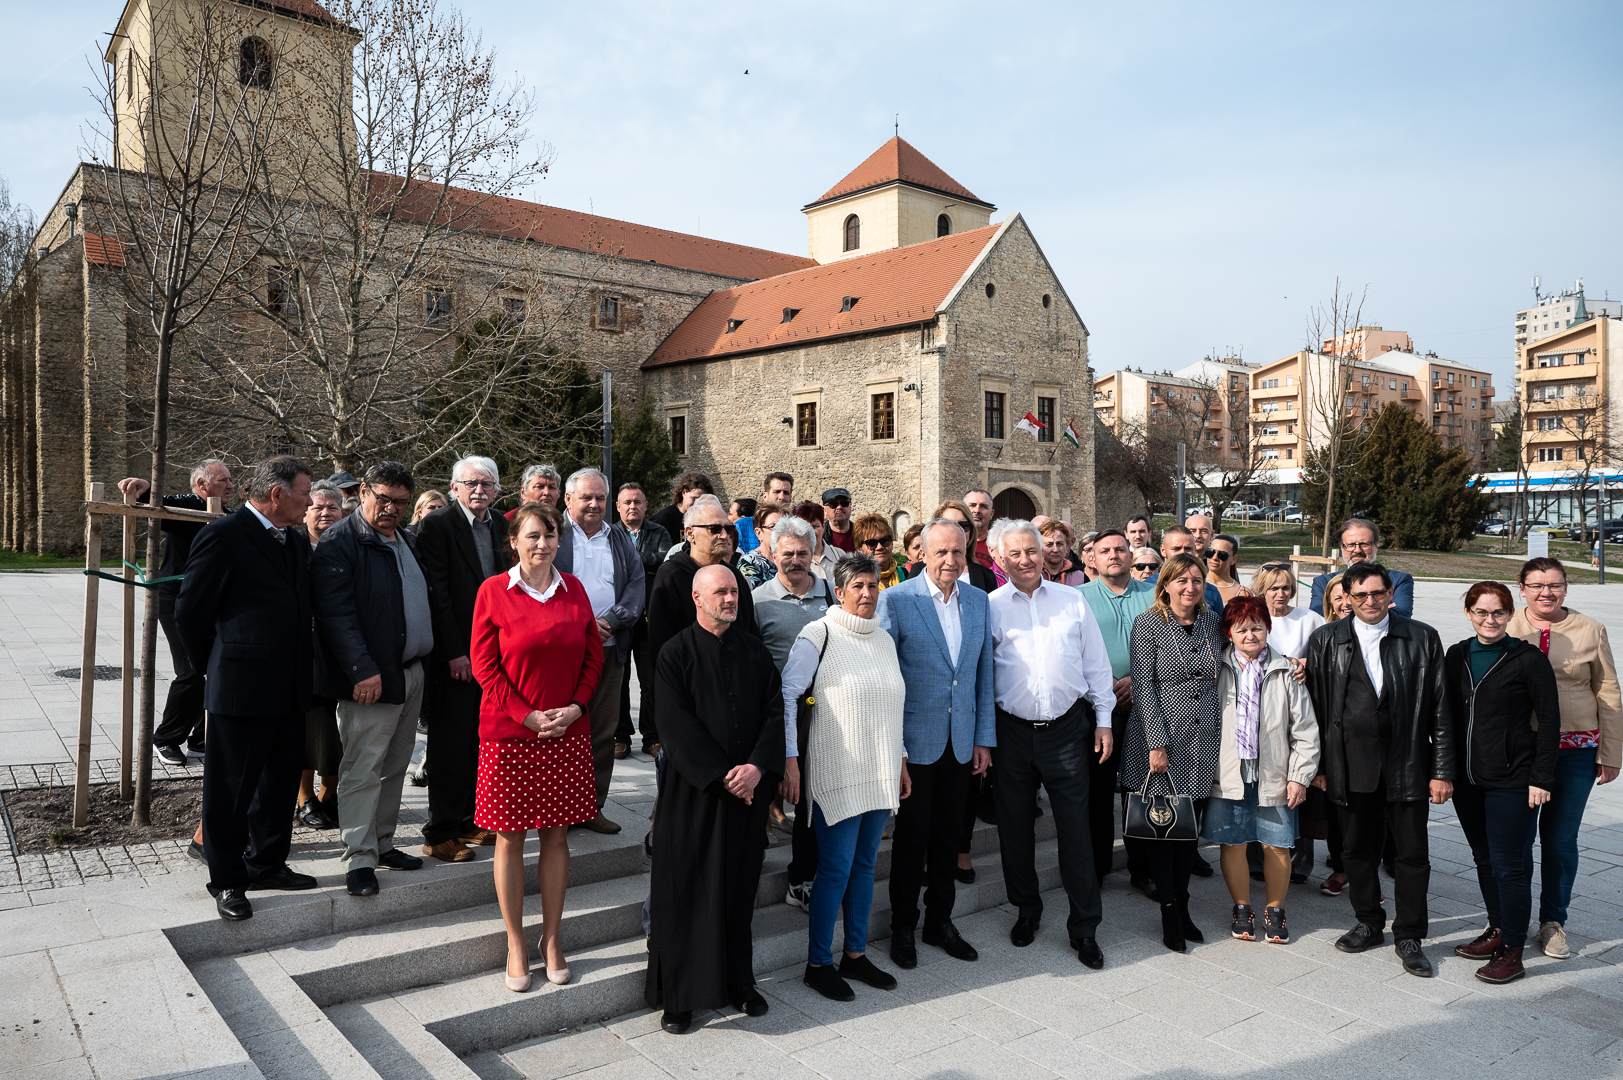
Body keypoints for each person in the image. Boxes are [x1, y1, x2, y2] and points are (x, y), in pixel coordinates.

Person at [175, 456, 317, 920]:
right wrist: (217, 666)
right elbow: (190, 614)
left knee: (279, 784)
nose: (310, 502)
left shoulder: (294, 540)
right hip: (241, 687)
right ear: (277, 494)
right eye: (304, 494)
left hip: (289, 687)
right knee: (231, 791)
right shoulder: (224, 534)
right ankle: (228, 881)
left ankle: (268, 864)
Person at [646, 565, 784, 1035]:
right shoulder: (674, 653)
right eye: (720, 592)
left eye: (734, 591)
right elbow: (675, 726)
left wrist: (757, 768)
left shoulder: (754, 650)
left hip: (747, 796)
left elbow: (774, 713)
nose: (730, 599)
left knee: (739, 893)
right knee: (686, 893)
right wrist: (724, 775)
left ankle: (739, 982)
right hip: (695, 795)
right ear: (697, 597)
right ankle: (680, 998)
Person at [470, 502, 603, 992]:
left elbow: (593, 658)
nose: (542, 544)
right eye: (532, 536)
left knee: (556, 838)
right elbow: (485, 667)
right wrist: (525, 715)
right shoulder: (493, 591)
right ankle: (515, 942)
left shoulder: (575, 590)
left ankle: (552, 938)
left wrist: (576, 708)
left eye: (549, 535)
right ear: (514, 542)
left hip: (566, 734)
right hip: (509, 736)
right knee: (510, 839)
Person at [1303, 562, 1454, 977]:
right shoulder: (1326, 639)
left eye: (1377, 593)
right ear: (1347, 599)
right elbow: (1315, 709)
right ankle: (1369, 922)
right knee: (1355, 850)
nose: (1370, 601)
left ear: (1390, 594)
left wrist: (1442, 770)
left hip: (1407, 763)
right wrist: (1319, 767)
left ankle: (1409, 935)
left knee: (1412, 854)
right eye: (1361, 595)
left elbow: (1441, 708)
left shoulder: (1421, 637)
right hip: (1349, 764)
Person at [779, 553, 909, 1000]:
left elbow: (892, 706)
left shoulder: (884, 639)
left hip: (879, 771)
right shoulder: (818, 635)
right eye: (858, 586)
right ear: (838, 592)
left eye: (873, 585)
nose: (867, 593)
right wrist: (790, 759)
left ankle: (855, 954)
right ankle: (818, 963)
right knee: (834, 869)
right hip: (836, 771)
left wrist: (902, 760)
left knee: (865, 866)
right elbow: (788, 695)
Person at [990, 521, 1116, 968]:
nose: (1025, 560)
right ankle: (1027, 909)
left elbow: (1097, 666)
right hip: (1010, 733)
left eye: (1032, 550)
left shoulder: (1072, 601)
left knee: (1076, 832)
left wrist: (1104, 721)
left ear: (1044, 553)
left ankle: (1084, 928)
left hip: (1067, 730)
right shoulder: (990, 607)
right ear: (1000, 558)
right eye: (1015, 553)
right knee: (1015, 829)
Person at [875, 518, 995, 968]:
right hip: (915, 744)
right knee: (911, 841)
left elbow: (983, 674)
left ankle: (939, 921)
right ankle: (903, 926)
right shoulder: (897, 600)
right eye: (941, 551)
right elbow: (887, 679)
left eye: (957, 551)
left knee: (949, 836)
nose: (950, 560)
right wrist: (897, 751)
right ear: (921, 554)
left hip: (961, 744)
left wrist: (984, 739)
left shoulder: (978, 601)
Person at [314, 461, 438, 896]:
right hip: (370, 679)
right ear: (362, 491)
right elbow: (336, 616)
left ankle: (382, 843)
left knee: (395, 767)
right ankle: (358, 858)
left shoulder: (406, 539)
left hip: (410, 674)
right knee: (362, 769)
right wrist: (361, 671)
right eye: (382, 498)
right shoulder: (340, 541)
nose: (391, 509)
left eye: (400, 502)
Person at [1445, 581, 1561, 984]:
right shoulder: (1457, 654)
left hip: (1512, 779)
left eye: (1498, 612)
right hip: (1467, 779)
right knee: (1483, 858)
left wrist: (1541, 777)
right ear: (1468, 613)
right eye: (1481, 611)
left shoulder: (1528, 659)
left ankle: (1513, 950)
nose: (1489, 620)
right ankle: (1497, 929)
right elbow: (1446, 715)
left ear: (1510, 614)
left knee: (1508, 866)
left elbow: (1550, 721)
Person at [1507, 557, 1621, 960]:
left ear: (1566, 588)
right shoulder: (1505, 623)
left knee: (1560, 840)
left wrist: (1611, 752)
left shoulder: (1590, 629)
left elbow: (1608, 691)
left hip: (1575, 751)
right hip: (1521, 749)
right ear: (1522, 588)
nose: (1546, 592)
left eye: (1555, 585)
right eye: (1537, 585)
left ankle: (1553, 922)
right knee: (1517, 839)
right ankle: (1510, 919)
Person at [1120, 552, 1222, 951]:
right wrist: (1157, 744)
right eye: (1181, 580)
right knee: (1162, 831)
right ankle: (1167, 909)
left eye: (1197, 580)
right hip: (1160, 739)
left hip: (1202, 740)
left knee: (1188, 832)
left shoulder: (1212, 622)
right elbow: (1144, 687)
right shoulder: (1148, 624)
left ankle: (1183, 903)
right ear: (1165, 585)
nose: (1190, 587)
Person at [1204, 595, 1320, 945]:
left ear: (1268, 629)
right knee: (1233, 843)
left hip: (1274, 774)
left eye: (1257, 627)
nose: (1250, 635)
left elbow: (1306, 730)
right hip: (1228, 773)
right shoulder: (1216, 668)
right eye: (1241, 629)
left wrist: (1299, 777)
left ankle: (1275, 909)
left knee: (1277, 845)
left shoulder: (1286, 670)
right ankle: (1242, 907)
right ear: (1229, 633)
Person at [414, 455, 511, 862]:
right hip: (456, 655)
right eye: (471, 483)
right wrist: (455, 652)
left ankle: (469, 820)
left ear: (497, 489)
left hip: (495, 653)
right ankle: (440, 832)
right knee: (450, 745)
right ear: (454, 488)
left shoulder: (502, 525)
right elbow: (437, 594)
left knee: (479, 741)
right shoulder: (437, 526)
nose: (479, 490)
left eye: (487, 483)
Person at [117, 458, 236, 768]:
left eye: (230, 479)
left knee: (217, 668)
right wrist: (144, 488)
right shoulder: (188, 506)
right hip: (178, 601)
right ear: (201, 485)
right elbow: (155, 502)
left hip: (214, 603)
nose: (230, 485)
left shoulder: (230, 515)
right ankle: (166, 738)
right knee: (192, 670)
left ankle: (200, 739)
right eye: (223, 480)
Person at [555, 468, 645, 835]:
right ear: (568, 499)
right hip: (562, 652)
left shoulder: (618, 538)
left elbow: (636, 584)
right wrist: (580, 623)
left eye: (601, 498)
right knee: (561, 729)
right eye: (586, 497)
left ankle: (592, 806)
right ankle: (559, 807)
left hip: (608, 648)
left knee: (602, 730)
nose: (594, 504)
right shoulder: (553, 533)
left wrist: (613, 619)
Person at [753, 516, 836, 909]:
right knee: (763, 794)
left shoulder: (832, 595)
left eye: (803, 552)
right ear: (773, 555)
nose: (796, 560)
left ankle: (802, 878)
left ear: (813, 552)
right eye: (787, 553)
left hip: (822, 713)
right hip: (774, 713)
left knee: (810, 801)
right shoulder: (757, 601)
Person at [1078, 530, 1154, 893]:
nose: (1113, 555)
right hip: (1096, 710)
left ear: (1131, 554)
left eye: (1120, 549)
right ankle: (1097, 865)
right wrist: (1102, 683)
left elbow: (1167, 645)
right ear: (1092, 557)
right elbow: (1070, 650)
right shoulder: (1078, 598)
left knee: (1140, 790)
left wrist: (1138, 682)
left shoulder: (1154, 595)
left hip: (1145, 707)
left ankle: (1142, 869)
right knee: (1098, 791)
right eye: (1104, 550)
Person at [647, 496, 757, 673]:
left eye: (728, 528)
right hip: (688, 675)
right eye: (715, 529)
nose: (724, 535)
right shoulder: (671, 575)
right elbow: (660, 639)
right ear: (690, 534)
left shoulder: (734, 576)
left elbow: (749, 631)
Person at [296, 479, 346, 829]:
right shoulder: (293, 546)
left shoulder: (349, 545)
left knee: (336, 736)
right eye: (318, 507)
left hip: (344, 653)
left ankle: (330, 795)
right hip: (305, 654)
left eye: (333, 507)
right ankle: (304, 799)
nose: (326, 513)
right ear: (305, 512)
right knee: (307, 732)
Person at [613, 482, 672, 759]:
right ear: (618, 507)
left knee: (650, 681)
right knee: (619, 680)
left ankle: (651, 736)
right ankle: (620, 736)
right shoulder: (611, 533)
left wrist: (631, 560)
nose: (632, 506)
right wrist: (645, 564)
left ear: (646, 506)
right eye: (627, 502)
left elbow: (664, 562)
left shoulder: (659, 532)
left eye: (637, 502)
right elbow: (612, 569)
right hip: (621, 617)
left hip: (650, 617)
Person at [1309, 517, 1415, 617]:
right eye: (1351, 545)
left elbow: (1402, 615)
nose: (1357, 550)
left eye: (1364, 544)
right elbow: (1317, 616)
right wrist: (1377, 612)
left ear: (1376, 546)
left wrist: (1341, 612)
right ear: (1342, 547)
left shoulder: (1398, 580)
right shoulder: (1323, 582)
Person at [1156, 526, 1226, 617]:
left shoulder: (1211, 592)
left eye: (1188, 549)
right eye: (1176, 549)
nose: (1182, 553)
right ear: (1163, 550)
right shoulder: (1146, 587)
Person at [930, 500, 998, 592]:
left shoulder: (986, 576)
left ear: (971, 532)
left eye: (964, 526)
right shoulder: (920, 570)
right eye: (948, 525)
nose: (957, 531)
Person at [649, 471, 713, 541]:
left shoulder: (707, 521)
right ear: (684, 493)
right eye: (694, 498)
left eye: (702, 500)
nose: (697, 504)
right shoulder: (662, 520)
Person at [851, 513, 904, 587]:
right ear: (859, 548)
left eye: (885, 540)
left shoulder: (906, 575)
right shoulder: (854, 582)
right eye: (871, 543)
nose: (879, 547)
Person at [739, 503, 783, 589]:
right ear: (758, 533)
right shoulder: (749, 562)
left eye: (783, 526)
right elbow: (754, 594)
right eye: (773, 527)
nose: (779, 531)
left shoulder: (794, 556)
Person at [792, 501, 839, 580]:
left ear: (823, 527)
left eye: (815, 526)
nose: (811, 532)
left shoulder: (839, 556)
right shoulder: (793, 561)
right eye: (805, 527)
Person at [1207, 534, 1247, 606]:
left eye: (1222, 554)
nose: (1214, 558)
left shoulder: (1243, 593)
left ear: (1233, 559)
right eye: (1211, 552)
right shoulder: (1194, 583)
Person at [1040, 521, 1086, 585]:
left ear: (1067, 546)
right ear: (1040, 547)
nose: (1055, 550)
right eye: (1049, 545)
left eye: (1060, 544)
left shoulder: (1081, 578)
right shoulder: (1032, 576)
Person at [963, 489, 997, 573]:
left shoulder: (999, 544)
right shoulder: (953, 543)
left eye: (983, 506)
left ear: (991, 514)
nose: (977, 510)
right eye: (972, 505)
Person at [822, 487, 855, 553]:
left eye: (844, 503)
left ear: (850, 506)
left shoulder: (864, 534)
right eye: (833, 504)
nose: (839, 507)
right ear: (825, 510)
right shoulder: (819, 538)